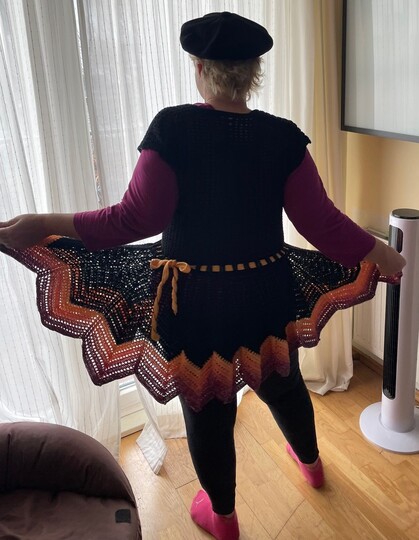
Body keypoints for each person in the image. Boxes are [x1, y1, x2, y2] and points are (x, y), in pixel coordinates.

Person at [0, 12, 405, 540]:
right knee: (283, 384)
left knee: (208, 406)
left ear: (199, 68)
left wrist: (42, 223)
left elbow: (132, 221)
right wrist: (380, 251)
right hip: (265, 290)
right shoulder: (283, 138)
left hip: (191, 300)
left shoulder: (173, 129)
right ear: (254, 72)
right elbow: (321, 224)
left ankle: (224, 517)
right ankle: (311, 464)